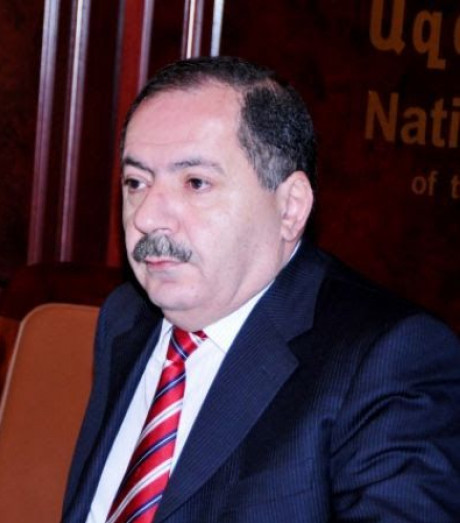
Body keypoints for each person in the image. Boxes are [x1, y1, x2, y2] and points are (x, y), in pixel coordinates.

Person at [61, 56, 460, 523]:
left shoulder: (387, 360)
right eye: (136, 182)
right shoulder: (127, 317)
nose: (147, 216)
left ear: (290, 208)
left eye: (195, 183)